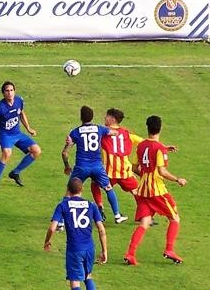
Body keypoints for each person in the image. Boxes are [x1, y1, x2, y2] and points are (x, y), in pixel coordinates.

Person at [44, 178, 107, 290]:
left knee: (75, 283)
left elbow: (53, 228)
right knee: (88, 276)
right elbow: (101, 229)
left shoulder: (63, 205)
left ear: (68, 190)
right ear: (82, 190)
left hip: (74, 249)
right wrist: (104, 250)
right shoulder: (91, 205)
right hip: (89, 248)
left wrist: (47, 241)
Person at [124, 116, 187, 266]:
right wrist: (177, 179)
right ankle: (169, 249)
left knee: (145, 223)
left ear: (147, 128)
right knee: (175, 218)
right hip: (157, 191)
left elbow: (134, 167)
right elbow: (162, 171)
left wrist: (146, 175)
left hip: (143, 190)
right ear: (160, 128)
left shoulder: (141, 146)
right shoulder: (159, 148)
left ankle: (130, 254)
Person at [61, 106, 127, 224]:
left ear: (81, 117)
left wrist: (67, 166)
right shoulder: (99, 129)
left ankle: (60, 222)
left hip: (82, 167)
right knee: (108, 188)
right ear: (92, 117)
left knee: (69, 192)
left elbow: (65, 153)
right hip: (97, 167)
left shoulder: (75, 132)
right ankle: (117, 215)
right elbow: (115, 133)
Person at [0, 81, 41, 189]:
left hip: (17, 133)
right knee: (7, 153)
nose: (10, 93)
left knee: (36, 151)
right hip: (5, 135)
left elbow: (21, 113)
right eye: (7, 91)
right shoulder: (0, 107)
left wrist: (28, 128)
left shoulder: (19, 100)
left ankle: (15, 172)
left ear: (14, 91)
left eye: (11, 90)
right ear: (3, 93)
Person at [89, 108, 143, 218]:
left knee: (94, 184)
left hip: (109, 172)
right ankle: (144, 215)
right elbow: (144, 142)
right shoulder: (127, 134)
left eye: (107, 116)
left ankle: (100, 207)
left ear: (112, 119)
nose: (105, 118)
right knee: (136, 191)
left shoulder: (103, 132)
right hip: (125, 172)